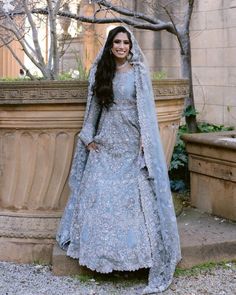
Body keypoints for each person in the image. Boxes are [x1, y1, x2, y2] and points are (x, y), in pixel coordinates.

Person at [57, 26, 181, 294]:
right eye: (117, 42)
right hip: (106, 142)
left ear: (131, 46)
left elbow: (146, 111)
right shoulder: (100, 71)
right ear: (111, 46)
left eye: (126, 42)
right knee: (101, 193)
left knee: (130, 199)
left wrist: (144, 145)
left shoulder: (139, 72)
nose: (122, 47)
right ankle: (102, 258)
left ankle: (133, 260)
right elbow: (94, 108)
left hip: (131, 143)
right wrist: (88, 136)